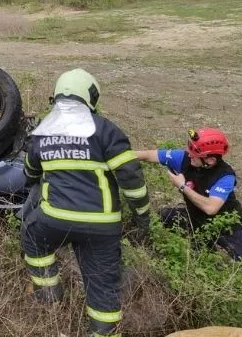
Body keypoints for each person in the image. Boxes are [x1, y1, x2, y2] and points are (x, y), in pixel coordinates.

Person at [137, 128, 242, 332]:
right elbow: (148, 155)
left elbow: (211, 208)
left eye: (194, 152)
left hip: (227, 228)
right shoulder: (184, 158)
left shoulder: (225, 176)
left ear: (210, 159)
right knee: (164, 217)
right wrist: (116, 155)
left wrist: (183, 187)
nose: (189, 154)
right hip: (196, 219)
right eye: (190, 149)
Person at [21, 68, 150, 337]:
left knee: (32, 237)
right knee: (103, 288)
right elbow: (131, 180)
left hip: (54, 219)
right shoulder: (106, 130)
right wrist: (142, 217)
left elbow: (29, 173)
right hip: (102, 227)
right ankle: (104, 332)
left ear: (57, 95)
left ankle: (49, 294)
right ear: (90, 97)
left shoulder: (43, 132)